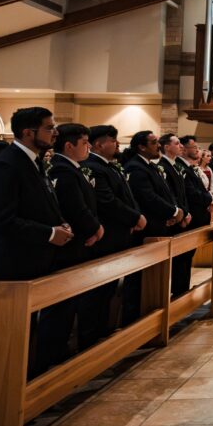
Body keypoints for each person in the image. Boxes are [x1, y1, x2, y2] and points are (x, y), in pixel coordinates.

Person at [0, 107, 71, 282]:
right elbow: (3, 220)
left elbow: (41, 201)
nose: (56, 133)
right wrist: (50, 233)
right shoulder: (6, 165)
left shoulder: (34, 161)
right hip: (12, 266)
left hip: (34, 260)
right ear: (28, 133)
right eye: (49, 128)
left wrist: (60, 223)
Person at [41, 123, 105, 369]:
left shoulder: (71, 168)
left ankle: (63, 357)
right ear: (69, 146)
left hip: (79, 242)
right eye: (85, 142)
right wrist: (93, 228)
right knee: (60, 311)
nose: (88, 147)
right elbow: (74, 207)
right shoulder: (63, 170)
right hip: (70, 246)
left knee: (69, 309)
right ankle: (52, 365)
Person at [82, 125, 145, 328]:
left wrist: (135, 216)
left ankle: (105, 330)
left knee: (109, 291)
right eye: (112, 140)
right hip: (107, 235)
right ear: (99, 145)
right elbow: (107, 201)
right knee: (98, 293)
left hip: (120, 233)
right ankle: (93, 336)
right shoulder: (93, 167)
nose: (117, 144)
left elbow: (127, 196)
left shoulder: (109, 166)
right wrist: (134, 218)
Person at [158, 133, 194, 295]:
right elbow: (171, 194)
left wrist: (186, 212)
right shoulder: (163, 166)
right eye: (177, 143)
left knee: (185, 257)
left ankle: (182, 290)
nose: (181, 146)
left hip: (183, 215)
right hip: (175, 218)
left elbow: (183, 193)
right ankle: (178, 291)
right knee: (178, 260)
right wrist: (180, 213)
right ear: (167, 147)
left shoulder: (174, 165)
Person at [180, 136, 213, 229]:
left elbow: (202, 187)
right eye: (194, 147)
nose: (197, 150)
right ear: (184, 149)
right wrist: (210, 199)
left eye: (198, 147)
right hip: (193, 213)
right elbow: (191, 192)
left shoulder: (190, 167)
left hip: (201, 211)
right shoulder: (181, 167)